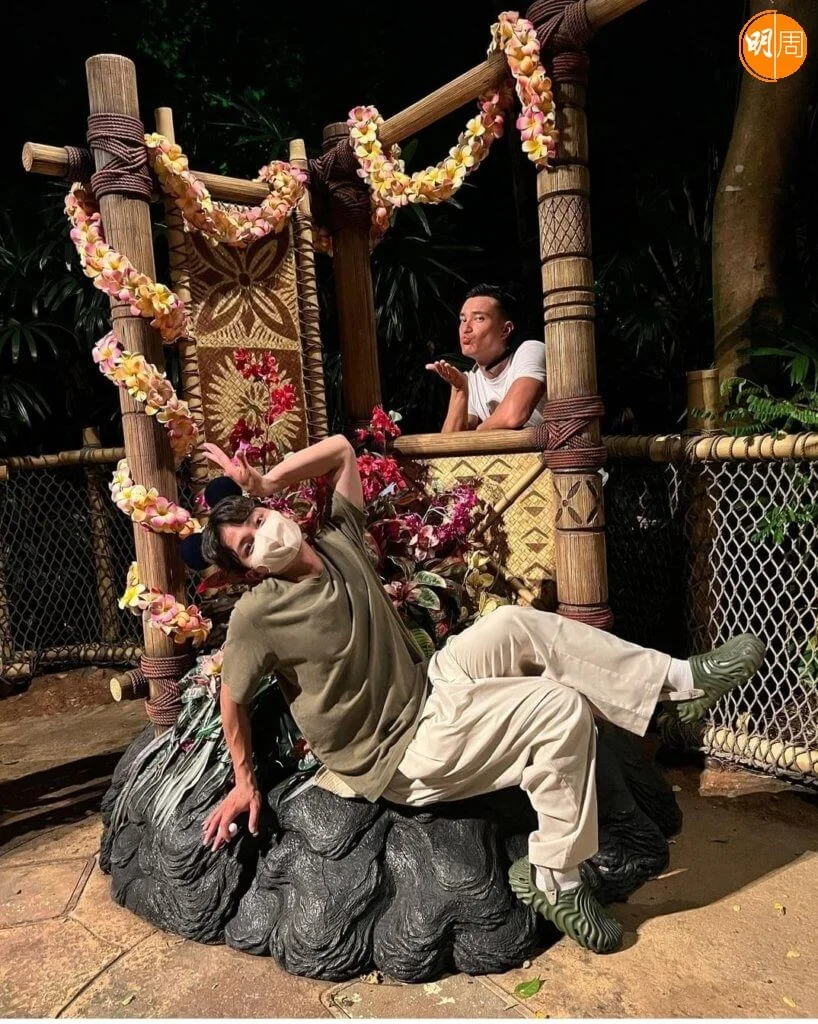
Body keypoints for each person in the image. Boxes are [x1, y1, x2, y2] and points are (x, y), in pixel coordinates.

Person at [199, 435, 765, 955]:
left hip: (427, 685)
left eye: (259, 520)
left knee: (515, 623)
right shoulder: (258, 615)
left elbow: (343, 450)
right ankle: (555, 879)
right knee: (559, 709)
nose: (264, 536)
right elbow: (233, 696)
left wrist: (266, 480)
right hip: (397, 751)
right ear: (247, 570)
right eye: (248, 546)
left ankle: (676, 688)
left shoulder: (336, 542)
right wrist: (245, 781)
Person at [427, 284, 546, 432]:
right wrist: (459, 389)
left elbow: (513, 415)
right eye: (463, 320)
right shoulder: (471, 380)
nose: (466, 328)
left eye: (479, 318)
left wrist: (478, 432)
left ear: (505, 330)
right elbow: (449, 443)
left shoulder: (530, 350)